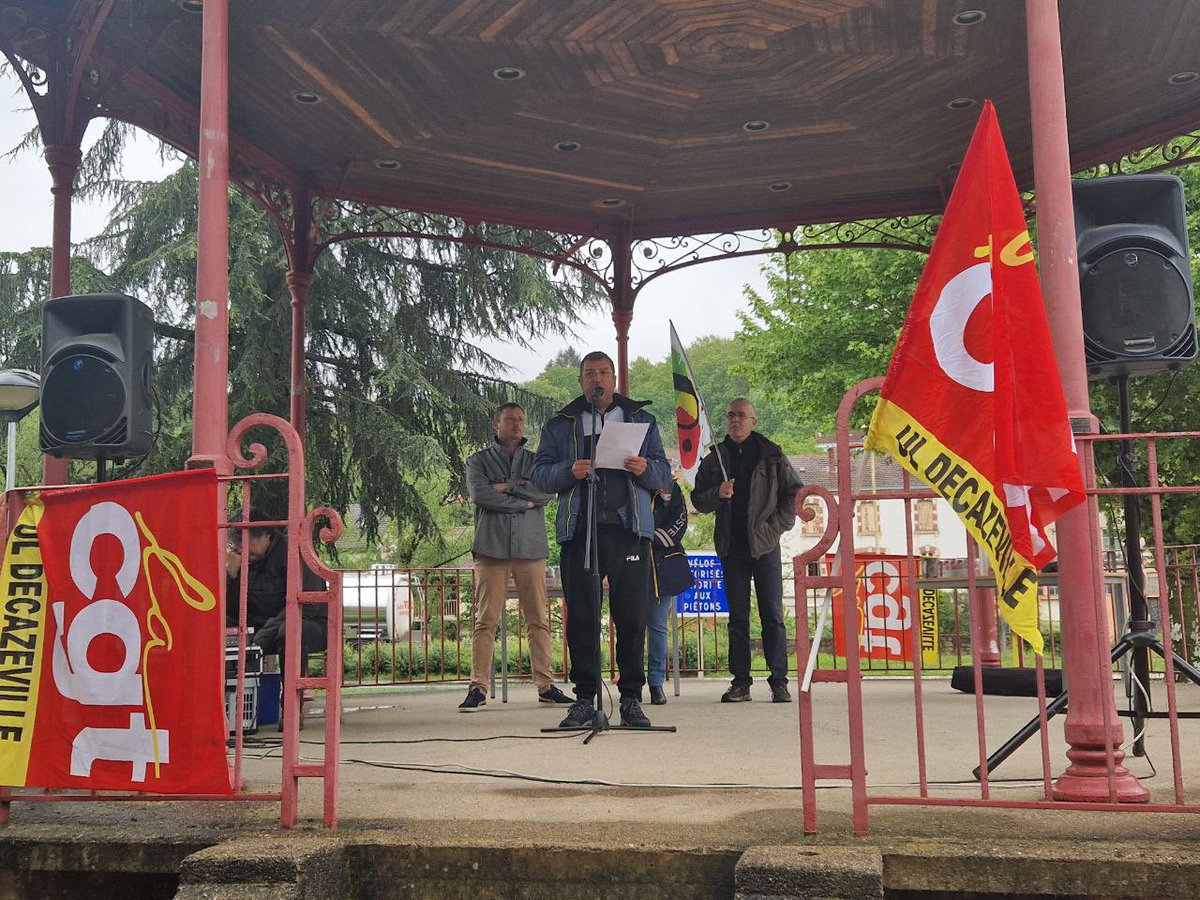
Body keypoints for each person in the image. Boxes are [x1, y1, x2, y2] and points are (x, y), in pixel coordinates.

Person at [532, 350, 671, 729]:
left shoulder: (641, 419)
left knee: (631, 617)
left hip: (628, 531)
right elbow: (540, 476)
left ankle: (630, 700)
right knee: (581, 618)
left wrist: (646, 469)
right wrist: (568, 470)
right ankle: (583, 700)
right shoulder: (562, 424)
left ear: (614, 379)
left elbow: (664, 476)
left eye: (604, 373)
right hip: (580, 532)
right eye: (590, 373)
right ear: (581, 381)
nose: (597, 379)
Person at [458, 402, 572, 711]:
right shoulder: (478, 461)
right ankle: (478, 687)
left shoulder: (537, 461)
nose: (517, 425)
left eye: (521, 420)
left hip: (530, 549)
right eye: (510, 420)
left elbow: (547, 493)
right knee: (485, 621)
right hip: (491, 550)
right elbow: (481, 495)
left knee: (539, 620)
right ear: (497, 425)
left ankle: (546, 685)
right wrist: (523, 499)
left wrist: (507, 487)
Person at [692, 398, 802, 703]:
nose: (735, 420)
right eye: (730, 415)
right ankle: (740, 681)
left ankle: (779, 680)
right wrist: (718, 493)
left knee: (772, 614)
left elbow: (794, 491)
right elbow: (698, 500)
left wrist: (777, 525)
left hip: (765, 545)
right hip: (731, 546)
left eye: (741, 415)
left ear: (753, 421)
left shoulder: (772, 454)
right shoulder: (716, 457)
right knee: (737, 617)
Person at [226, 507, 328, 680]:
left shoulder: (293, 552)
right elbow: (234, 612)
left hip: (307, 624)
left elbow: (308, 605)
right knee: (220, 628)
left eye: (244, 541)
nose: (239, 548)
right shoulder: (245, 559)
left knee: (289, 630)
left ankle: (289, 701)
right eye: (236, 542)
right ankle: (238, 697)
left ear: (265, 535)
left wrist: (265, 634)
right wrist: (233, 576)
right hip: (260, 626)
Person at [647, 479, 694, 705]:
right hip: (630, 561)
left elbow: (679, 522)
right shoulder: (624, 480)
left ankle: (656, 682)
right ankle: (631, 682)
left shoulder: (669, 486)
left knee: (657, 627)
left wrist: (648, 537)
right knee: (631, 626)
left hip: (662, 565)